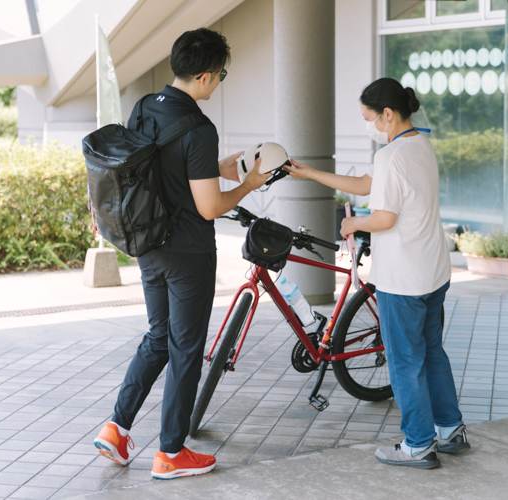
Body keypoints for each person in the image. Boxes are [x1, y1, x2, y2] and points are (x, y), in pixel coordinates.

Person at [92, 28, 270, 479]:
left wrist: (216, 167)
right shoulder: (200, 128)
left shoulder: (146, 107)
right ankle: (171, 452)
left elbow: (157, 167)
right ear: (207, 76)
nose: (220, 81)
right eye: (223, 74)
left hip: (147, 244)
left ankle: (116, 427)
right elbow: (209, 206)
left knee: (158, 337)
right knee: (186, 348)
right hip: (188, 253)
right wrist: (246, 185)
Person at [284, 77, 468, 469]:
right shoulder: (419, 145)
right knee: (431, 352)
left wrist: (352, 225)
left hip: (404, 277)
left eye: (370, 118)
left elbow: (383, 216)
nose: (368, 126)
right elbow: (370, 186)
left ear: (387, 114)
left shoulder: (392, 155)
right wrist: (313, 174)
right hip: (434, 270)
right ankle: (450, 430)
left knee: (405, 361)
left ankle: (418, 444)